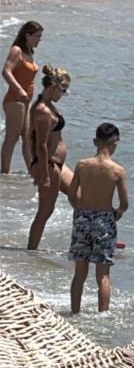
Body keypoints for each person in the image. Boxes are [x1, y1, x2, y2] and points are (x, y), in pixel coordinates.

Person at [65, 123, 128, 314]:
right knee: (103, 275)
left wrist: (80, 209)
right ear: (115, 143)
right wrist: (116, 214)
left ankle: (74, 313)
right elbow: (124, 203)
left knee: (79, 274)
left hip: (83, 217)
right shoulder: (117, 170)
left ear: (95, 141)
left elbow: (71, 194)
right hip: (104, 220)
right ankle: (102, 316)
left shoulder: (82, 165)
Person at [27, 66, 73, 250]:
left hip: (57, 164)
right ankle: (31, 251)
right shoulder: (42, 110)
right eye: (63, 90)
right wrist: (44, 175)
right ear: (53, 87)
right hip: (48, 165)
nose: (64, 94)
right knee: (45, 211)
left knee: (79, 196)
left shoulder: (49, 105)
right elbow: (40, 145)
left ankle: (90, 240)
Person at [3, 21, 41, 174]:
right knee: (12, 138)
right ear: (27, 35)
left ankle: (32, 174)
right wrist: (19, 90)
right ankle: (4, 173)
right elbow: (6, 71)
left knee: (27, 138)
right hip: (15, 100)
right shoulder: (17, 50)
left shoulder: (30, 53)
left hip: (26, 102)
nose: (39, 39)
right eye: (37, 36)